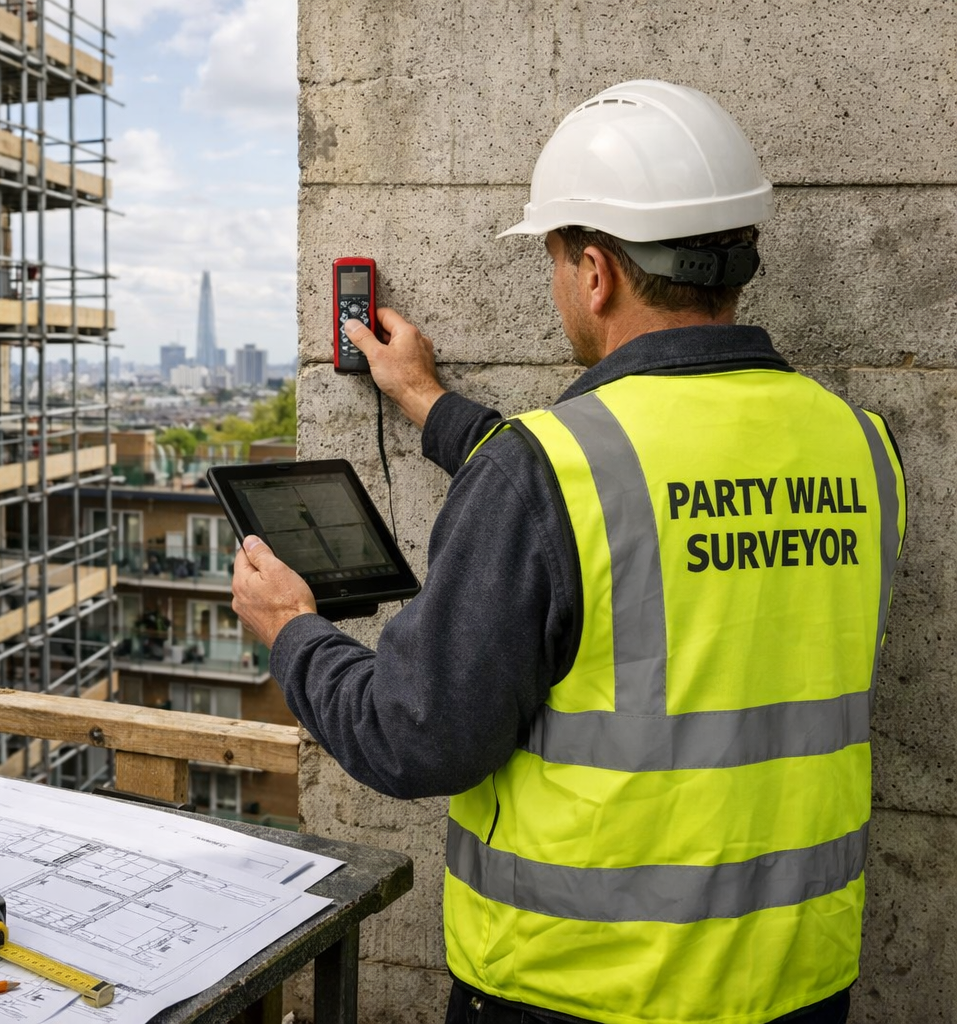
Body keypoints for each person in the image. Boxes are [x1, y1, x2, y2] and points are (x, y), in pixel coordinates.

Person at [230, 80, 905, 1024]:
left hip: (579, 988)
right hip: (798, 982)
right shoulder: (862, 447)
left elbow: (415, 735)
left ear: (595, 273)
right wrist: (426, 399)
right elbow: (629, 504)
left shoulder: (545, 473)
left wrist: (293, 632)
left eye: (552, 259)